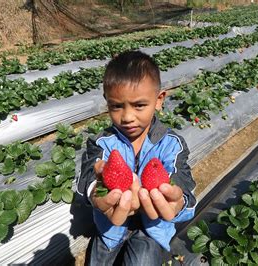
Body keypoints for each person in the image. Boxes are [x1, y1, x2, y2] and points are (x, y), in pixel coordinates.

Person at [76, 51, 196, 265]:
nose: (128, 117)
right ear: (107, 102)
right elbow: (88, 175)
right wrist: (95, 193)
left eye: (139, 105)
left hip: (153, 228)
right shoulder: (101, 143)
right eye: (117, 106)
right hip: (109, 226)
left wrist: (178, 201)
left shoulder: (171, 144)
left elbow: (182, 179)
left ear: (159, 100)